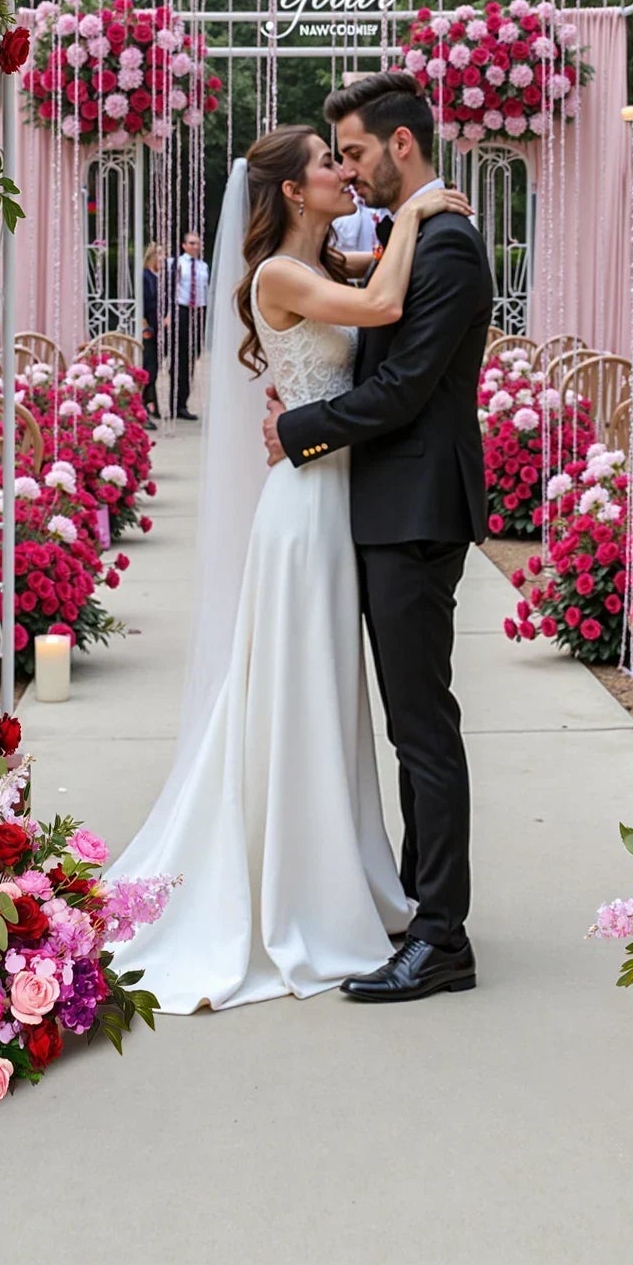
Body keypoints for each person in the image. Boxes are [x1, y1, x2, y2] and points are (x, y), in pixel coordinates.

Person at [106, 118, 472, 1012]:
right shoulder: (278, 273)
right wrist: (415, 215)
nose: (343, 172)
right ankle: (294, 890)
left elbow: (374, 292)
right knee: (299, 689)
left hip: (341, 501)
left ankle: (339, 877)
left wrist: (404, 228)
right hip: (306, 509)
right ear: (291, 191)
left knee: (330, 693)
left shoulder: (328, 265)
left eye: (348, 157)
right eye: (326, 163)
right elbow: (383, 310)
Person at [269, 70, 495, 1004]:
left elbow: (402, 391)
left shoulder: (447, 244)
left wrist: (298, 429)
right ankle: (413, 902)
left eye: (356, 151)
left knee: (422, 726)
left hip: (415, 513)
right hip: (386, 508)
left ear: (403, 144)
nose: (351, 170)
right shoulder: (415, 235)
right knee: (408, 723)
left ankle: (442, 938)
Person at [172, 230, 209, 421]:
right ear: (184, 245)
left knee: (192, 358)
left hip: (199, 311)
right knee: (180, 358)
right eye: (192, 243)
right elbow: (172, 289)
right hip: (183, 310)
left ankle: (183, 402)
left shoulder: (203, 266)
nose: (195, 246)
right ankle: (173, 402)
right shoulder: (177, 264)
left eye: (197, 243)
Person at [140, 242, 165, 429]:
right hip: (149, 327)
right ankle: (144, 404)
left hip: (159, 326)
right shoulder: (145, 277)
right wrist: (145, 326)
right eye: (161, 255)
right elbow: (143, 302)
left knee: (154, 367)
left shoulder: (158, 278)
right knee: (149, 367)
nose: (163, 259)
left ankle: (152, 402)